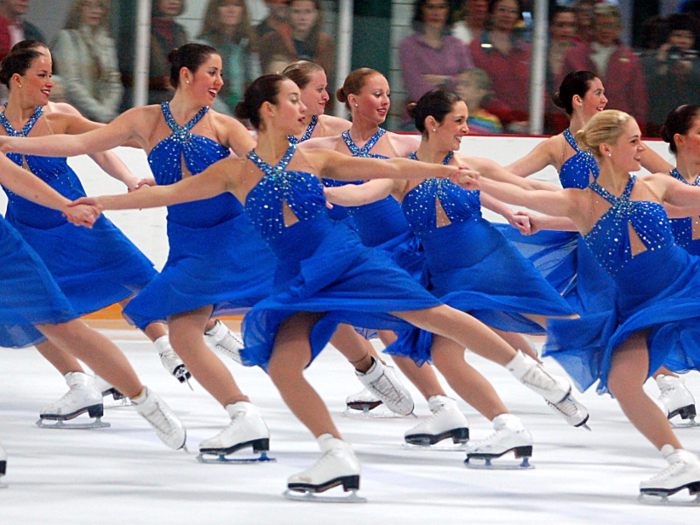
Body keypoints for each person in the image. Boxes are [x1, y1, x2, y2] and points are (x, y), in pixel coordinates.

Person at [55, 74, 589, 496]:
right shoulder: (234, 171)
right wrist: (100, 202)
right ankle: (335, 454)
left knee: (428, 312)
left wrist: (446, 173)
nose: (304, 108)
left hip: (345, 257)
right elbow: (161, 197)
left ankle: (537, 379)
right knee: (283, 366)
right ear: (268, 110)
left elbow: (381, 165)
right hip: (298, 276)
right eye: (293, 99)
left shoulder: (314, 156)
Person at [0, 43, 278, 461]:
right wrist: (7, 143)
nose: (220, 82)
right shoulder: (145, 119)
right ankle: (242, 412)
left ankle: (244, 407)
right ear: (186, 75)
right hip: (186, 240)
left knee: (159, 306)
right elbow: (81, 144)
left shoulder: (224, 126)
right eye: (213, 72)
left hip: (229, 236)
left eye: (221, 73)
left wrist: (309, 187)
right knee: (170, 325)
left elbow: (265, 167)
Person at [324, 88, 588, 438]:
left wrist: (594, 203)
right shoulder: (401, 173)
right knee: (446, 358)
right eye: (459, 121)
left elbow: (527, 188)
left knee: (568, 325)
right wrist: (323, 193)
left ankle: (637, 368)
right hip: (449, 279)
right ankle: (506, 425)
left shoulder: (472, 165)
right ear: (432, 124)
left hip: (495, 263)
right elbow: (360, 193)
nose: (467, 129)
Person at [470, 109, 700, 499]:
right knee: (622, 382)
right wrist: (474, 178)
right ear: (607, 148)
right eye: (633, 141)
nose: (642, 148)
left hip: (683, 285)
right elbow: (527, 194)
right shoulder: (580, 202)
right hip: (637, 307)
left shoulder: (656, 185)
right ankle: (681, 462)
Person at [0, 47, 195, 426]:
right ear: (17, 80)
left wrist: (130, 176)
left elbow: (107, 142)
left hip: (77, 219)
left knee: (134, 272)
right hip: (28, 230)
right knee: (34, 310)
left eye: (51, 74)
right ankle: (78, 381)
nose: (50, 82)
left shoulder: (61, 115)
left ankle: (168, 345)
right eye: (42, 74)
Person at [0, 149, 185, 451]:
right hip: (29, 229)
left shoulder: (54, 116)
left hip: (9, 243)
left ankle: (145, 400)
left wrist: (65, 205)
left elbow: (15, 176)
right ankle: (81, 381)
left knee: (61, 324)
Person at [560, 3, 647, 133]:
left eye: (610, 25)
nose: (605, 30)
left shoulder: (631, 59)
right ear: (592, 27)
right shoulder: (574, 55)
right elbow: (563, 97)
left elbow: (638, 102)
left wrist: (637, 133)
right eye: (600, 25)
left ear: (619, 28)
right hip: (582, 129)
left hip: (618, 130)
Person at [399, 0, 473, 130]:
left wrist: (445, 80)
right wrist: (455, 81)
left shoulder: (458, 45)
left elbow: (471, 82)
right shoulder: (409, 46)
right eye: (430, 7)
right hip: (419, 120)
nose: (436, 13)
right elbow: (417, 90)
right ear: (421, 10)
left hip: (457, 117)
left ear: (448, 11)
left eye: (441, 7)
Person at [51, 0, 122, 123]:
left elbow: (114, 83)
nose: (95, 11)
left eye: (100, 6)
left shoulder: (106, 42)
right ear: (79, 9)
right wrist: (99, 111)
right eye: (89, 5)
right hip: (74, 116)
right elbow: (71, 83)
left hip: (104, 118)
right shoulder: (67, 38)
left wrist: (107, 111)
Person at [469, 0, 531, 131]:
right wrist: (508, 120)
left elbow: (536, 89)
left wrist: (533, 119)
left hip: (525, 123)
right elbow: (476, 88)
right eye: (502, 10)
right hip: (487, 124)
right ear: (492, 13)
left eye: (513, 11)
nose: (507, 15)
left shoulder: (526, 51)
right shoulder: (476, 48)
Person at [197, 0, 260, 117]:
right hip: (212, 114)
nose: (231, 10)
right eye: (224, 5)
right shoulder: (204, 46)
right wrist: (228, 119)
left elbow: (256, 83)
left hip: (244, 115)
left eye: (236, 5)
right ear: (215, 11)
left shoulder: (247, 43)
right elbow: (203, 90)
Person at [642, 14, 700, 138]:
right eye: (678, 35)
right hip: (658, 124)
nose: (683, 41)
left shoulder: (696, 62)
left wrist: (692, 72)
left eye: (689, 37)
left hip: (692, 127)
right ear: (667, 36)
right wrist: (661, 65)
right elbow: (646, 92)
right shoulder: (653, 60)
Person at [259, 0, 334, 83]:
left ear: (317, 14)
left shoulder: (326, 43)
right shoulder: (273, 40)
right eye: (296, 11)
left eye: (308, 12)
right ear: (288, 13)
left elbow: (330, 76)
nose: (302, 17)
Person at [282, 60, 349, 143]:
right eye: (320, 89)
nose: (326, 97)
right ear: (295, 90)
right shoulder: (267, 129)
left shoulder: (340, 129)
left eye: (325, 88)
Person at [455, 68, 501, 134]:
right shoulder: (447, 116)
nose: (459, 88)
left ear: (480, 92)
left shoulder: (490, 122)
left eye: (466, 85)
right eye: (459, 84)